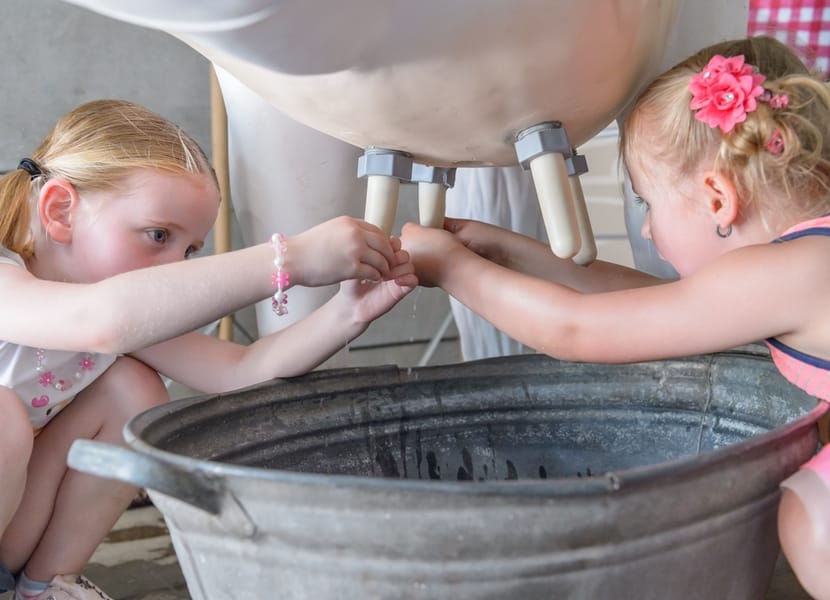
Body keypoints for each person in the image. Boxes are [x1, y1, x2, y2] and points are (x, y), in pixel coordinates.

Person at [401, 35, 830, 599]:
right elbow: (648, 306)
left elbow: (576, 328)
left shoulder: (786, 271)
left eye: (648, 203)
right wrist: (507, 251)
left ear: (718, 199)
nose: (648, 230)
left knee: (811, 516)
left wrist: (454, 272)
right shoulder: (800, 258)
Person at [0, 99, 416, 600]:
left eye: (189, 251)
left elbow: (241, 370)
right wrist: (292, 258)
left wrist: (347, 313)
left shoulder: (120, 302)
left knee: (133, 389)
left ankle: (42, 586)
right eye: (158, 235)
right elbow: (101, 320)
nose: (175, 265)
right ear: (60, 210)